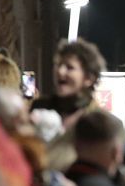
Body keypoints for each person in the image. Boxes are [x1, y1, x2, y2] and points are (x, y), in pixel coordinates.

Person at [32, 38, 107, 172]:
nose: (60, 71)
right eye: (58, 65)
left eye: (69, 67)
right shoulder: (38, 107)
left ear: (89, 78)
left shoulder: (97, 120)